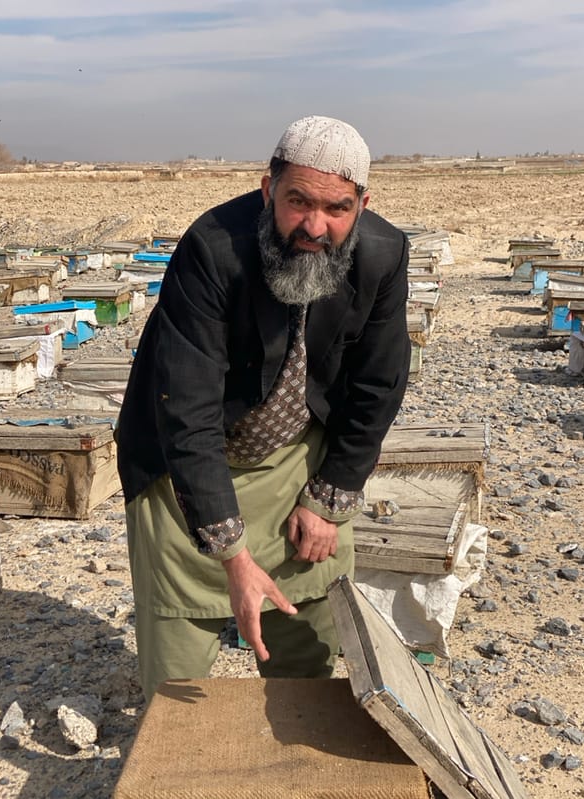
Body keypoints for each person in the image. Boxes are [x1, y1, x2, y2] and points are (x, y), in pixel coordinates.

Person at [116, 115, 411, 702]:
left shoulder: (382, 253)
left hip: (292, 462)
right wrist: (232, 556)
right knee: (178, 680)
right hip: (184, 473)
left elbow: (377, 386)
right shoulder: (212, 248)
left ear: (362, 204)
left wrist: (327, 499)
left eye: (337, 209)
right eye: (298, 201)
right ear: (268, 189)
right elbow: (188, 409)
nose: (315, 226)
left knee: (308, 651)